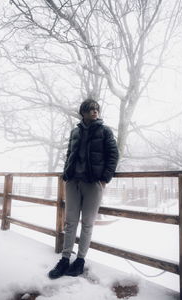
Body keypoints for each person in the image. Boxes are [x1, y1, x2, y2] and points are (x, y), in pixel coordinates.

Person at [48, 98, 119, 279]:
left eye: (97, 109)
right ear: (83, 112)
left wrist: (104, 179)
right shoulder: (75, 131)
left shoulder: (105, 131)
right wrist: (66, 173)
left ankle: (80, 260)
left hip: (93, 183)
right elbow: (69, 154)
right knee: (70, 222)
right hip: (73, 182)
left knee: (87, 223)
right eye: (90, 109)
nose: (95, 111)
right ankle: (64, 260)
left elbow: (113, 155)